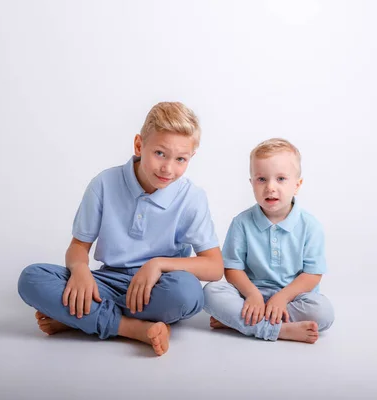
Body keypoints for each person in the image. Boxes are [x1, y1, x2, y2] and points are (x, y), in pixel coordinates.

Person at [18, 102, 223, 356]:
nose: (168, 168)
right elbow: (78, 247)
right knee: (31, 278)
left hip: (159, 288)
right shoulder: (104, 184)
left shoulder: (192, 197)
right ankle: (133, 328)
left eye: (180, 159)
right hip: (106, 282)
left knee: (188, 293)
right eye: (160, 153)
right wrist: (80, 269)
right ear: (139, 145)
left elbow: (214, 267)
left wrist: (157, 264)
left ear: (191, 157)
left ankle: (79, 317)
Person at [203, 138, 334, 343]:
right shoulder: (242, 223)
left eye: (281, 179)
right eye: (262, 179)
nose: (270, 187)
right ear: (251, 183)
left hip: (292, 297)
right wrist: (253, 295)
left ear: (297, 185)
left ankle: (239, 322)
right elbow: (231, 269)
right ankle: (279, 329)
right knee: (210, 292)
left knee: (323, 312)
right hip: (249, 294)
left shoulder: (310, 226)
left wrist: (282, 297)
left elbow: (312, 275)